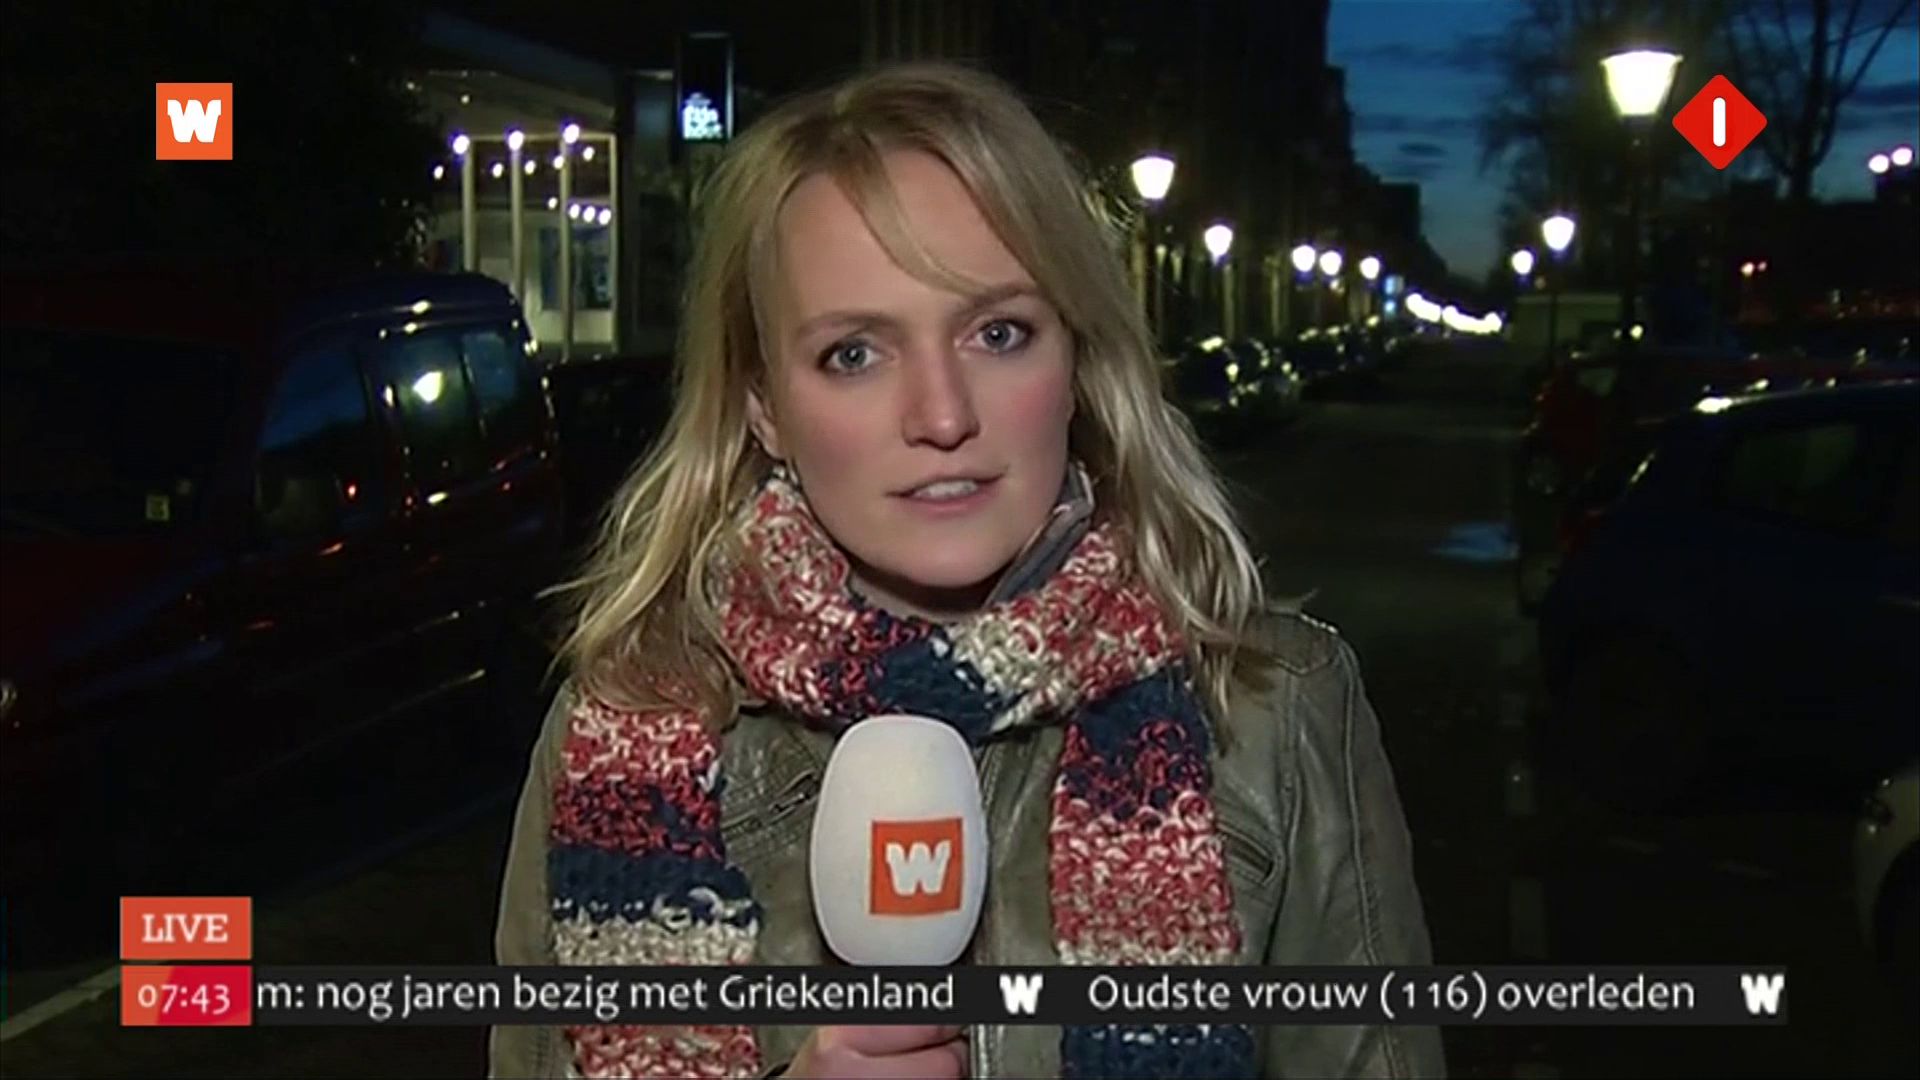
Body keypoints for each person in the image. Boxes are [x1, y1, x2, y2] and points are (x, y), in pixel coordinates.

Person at [490, 61, 1443, 1079]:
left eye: (998, 333)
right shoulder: (629, 718)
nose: (942, 416)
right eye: (855, 353)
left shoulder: (1276, 713)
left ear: (1076, 360)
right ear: (764, 405)